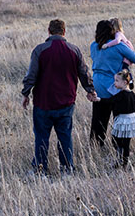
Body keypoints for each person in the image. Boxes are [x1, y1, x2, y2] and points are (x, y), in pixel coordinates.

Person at [22, 19, 99, 174]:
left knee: (42, 137)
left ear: (48, 31)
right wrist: (90, 90)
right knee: (65, 137)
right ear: (64, 32)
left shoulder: (40, 50)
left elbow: (32, 75)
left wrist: (26, 93)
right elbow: (84, 73)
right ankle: (67, 169)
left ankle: (40, 169)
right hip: (66, 102)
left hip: (43, 102)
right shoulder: (74, 50)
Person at [89, 20, 135, 146]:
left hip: (98, 85)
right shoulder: (118, 46)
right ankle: (118, 145)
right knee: (119, 118)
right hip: (115, 86)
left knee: (99, 118)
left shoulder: (93, 46)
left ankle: (96, 145)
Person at [111, 69, 135, 166]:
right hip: (131, 121)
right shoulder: (132, 94)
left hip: (122, 120)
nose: (114, 83)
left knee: (117, 140)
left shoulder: (120, 95)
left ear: (125, 82)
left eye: (116, 81)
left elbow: (113, 105)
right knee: (126, 142)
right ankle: (125, 162)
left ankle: (119, 160)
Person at [101, 17, 135, 89]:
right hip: (126, 54)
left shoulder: (118, 34)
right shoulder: (119, 33)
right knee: (124, 69)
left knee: (125, 69)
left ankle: (130, 81)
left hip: (127, 55)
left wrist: (107, 45)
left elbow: (117, 41)